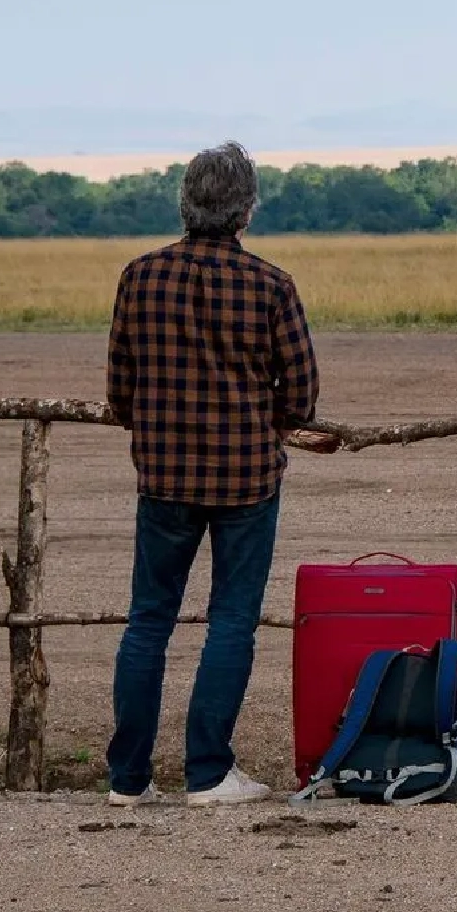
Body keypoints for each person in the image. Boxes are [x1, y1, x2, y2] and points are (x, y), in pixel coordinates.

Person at [104, 141, 319, 807]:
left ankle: (128, 778)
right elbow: (301, 393)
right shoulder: (270, 284)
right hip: (246, 477)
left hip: (163, 476)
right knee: (232, 621)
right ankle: (207, 772)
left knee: (148, 621)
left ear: (185, 203)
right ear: (246, 211)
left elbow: (120, 390)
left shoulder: (139, 277)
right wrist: (269, 423)